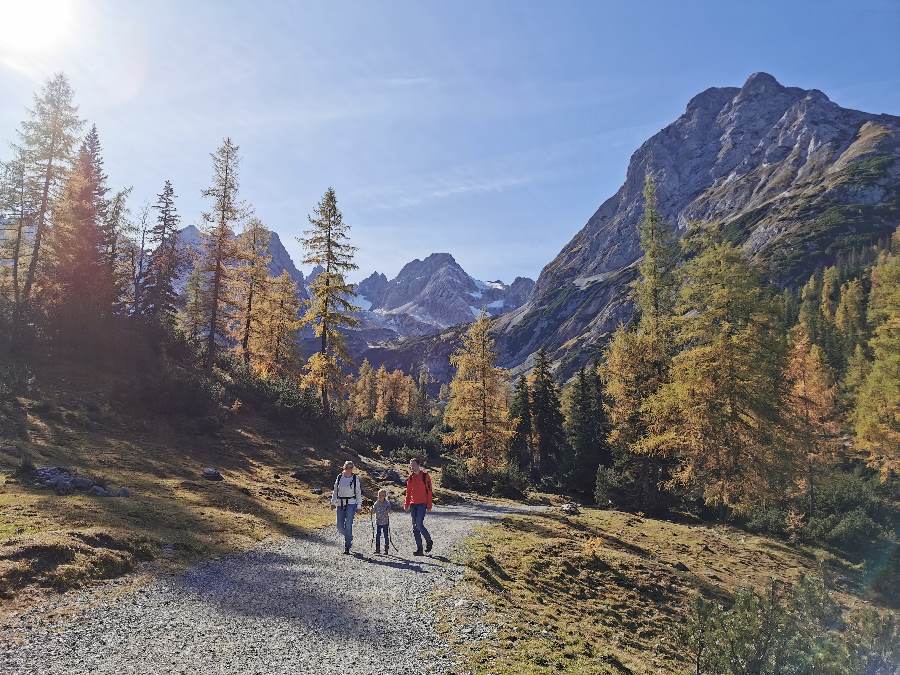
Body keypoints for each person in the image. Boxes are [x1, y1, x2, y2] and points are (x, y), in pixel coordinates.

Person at [331, 460, 363, 554]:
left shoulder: (355, 478)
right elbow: (335, 490)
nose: (348, 469)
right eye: (347, 467)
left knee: (348, 525)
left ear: (352, 469)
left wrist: (359, 505)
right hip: (340, 503)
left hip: (351, 504)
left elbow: (358, 492)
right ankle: (349, 537)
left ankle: (347, 546)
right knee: (339, 526)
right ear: (344, 467)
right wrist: (333, 502)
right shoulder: (340, 477)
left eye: (350, 467)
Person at [404, 457, 433, 556]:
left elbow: (429, 491)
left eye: (413, 464)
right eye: (410, 465)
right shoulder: (410, 477)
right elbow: (408, 492)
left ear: (418, 465)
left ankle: (429, 541)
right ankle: (419, 549)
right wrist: (406, 504)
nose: (411, 466)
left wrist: (429, 505)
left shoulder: (425, 476)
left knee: (419, 524)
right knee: (414, 527)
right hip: (413, 504)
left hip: (422, 504)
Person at [373, 488, 391, 554]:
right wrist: (372, 510)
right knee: (378, 535)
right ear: (378, 495)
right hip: (378, 522)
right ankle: (377, 549)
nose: (381, 497)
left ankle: (386, 549)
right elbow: (374, 511)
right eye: (380, 495)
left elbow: (389, 509)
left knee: (386, 535)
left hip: (385, 522)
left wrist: (388, 511)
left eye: (383, 495)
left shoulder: (387, 503)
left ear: (385, 496)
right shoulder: (376, 503)